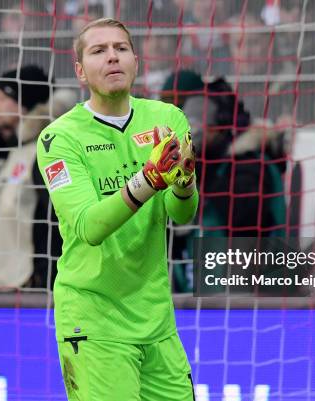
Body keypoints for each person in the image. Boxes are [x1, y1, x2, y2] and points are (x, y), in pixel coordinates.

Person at [36, 18, 198, 401]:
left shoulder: (167, 119)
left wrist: (184, 182)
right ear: (80, 71)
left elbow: (182, 214)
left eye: (120, 48)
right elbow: (89, 227)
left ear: (135, 62)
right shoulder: (58, 138)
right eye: (98, 51)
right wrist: (149, 179)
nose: (112, 57)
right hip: (94, 320)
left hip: (156, 318)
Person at [0, 64, 75, 289]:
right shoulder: (9, 151)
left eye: (2, 98)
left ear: (24, 104)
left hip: (31, 283)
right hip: (0, 281)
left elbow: (53, 220)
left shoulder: (45, 152)